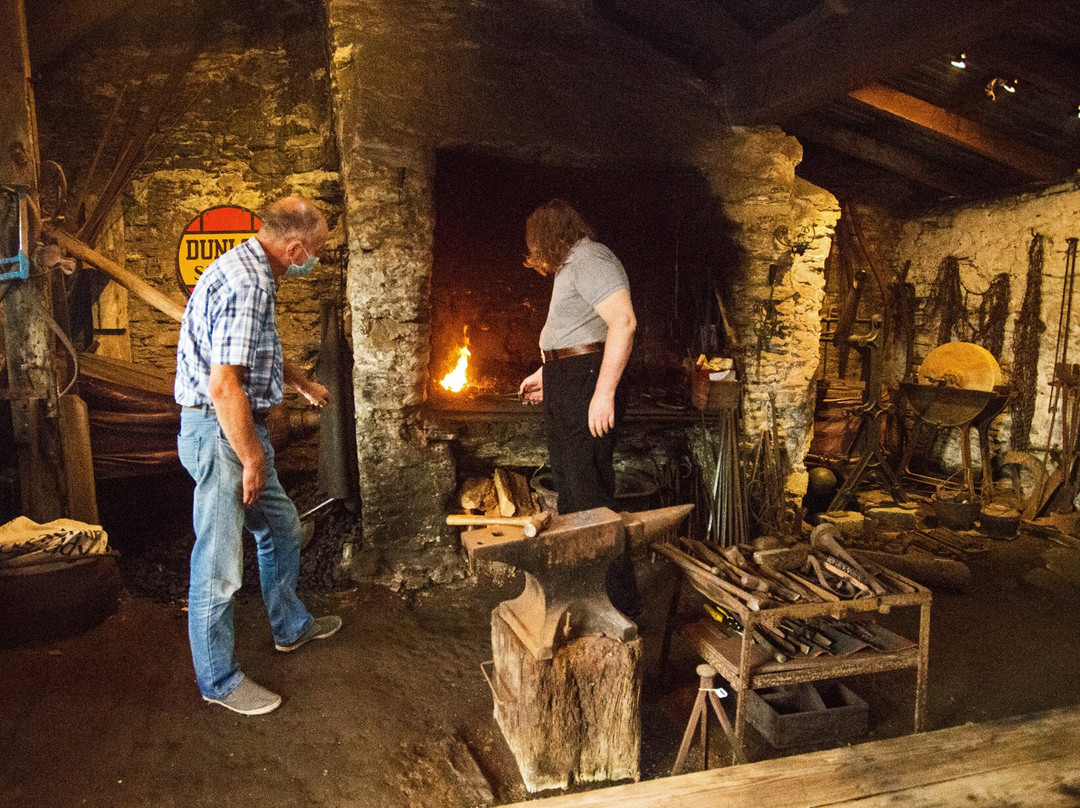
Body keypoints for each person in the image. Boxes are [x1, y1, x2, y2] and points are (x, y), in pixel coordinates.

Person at [174, 195, 341, 716]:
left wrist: (302, 383)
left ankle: (289, 627)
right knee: (220, 564)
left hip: (236, 432)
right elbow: (225, 387)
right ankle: (218, 680)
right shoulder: (248, 283)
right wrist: (252, 458)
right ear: (294, 248)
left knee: (283, 527)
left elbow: (256, 349)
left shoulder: (252, 268)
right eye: (315, 251)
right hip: (221, 431)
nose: (314, 260)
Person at [518, 199, 641, 615]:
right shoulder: (573, 265)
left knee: (587, 493)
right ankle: (587, 592)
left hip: (586, 382)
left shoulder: (592, 258)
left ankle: (620, 605)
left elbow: (623, 322)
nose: (533, 255)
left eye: (534, 243)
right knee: (572, 488)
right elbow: (576, 331)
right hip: (570, 377)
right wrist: (546, 371)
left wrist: (603, 392)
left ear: (549, 236)